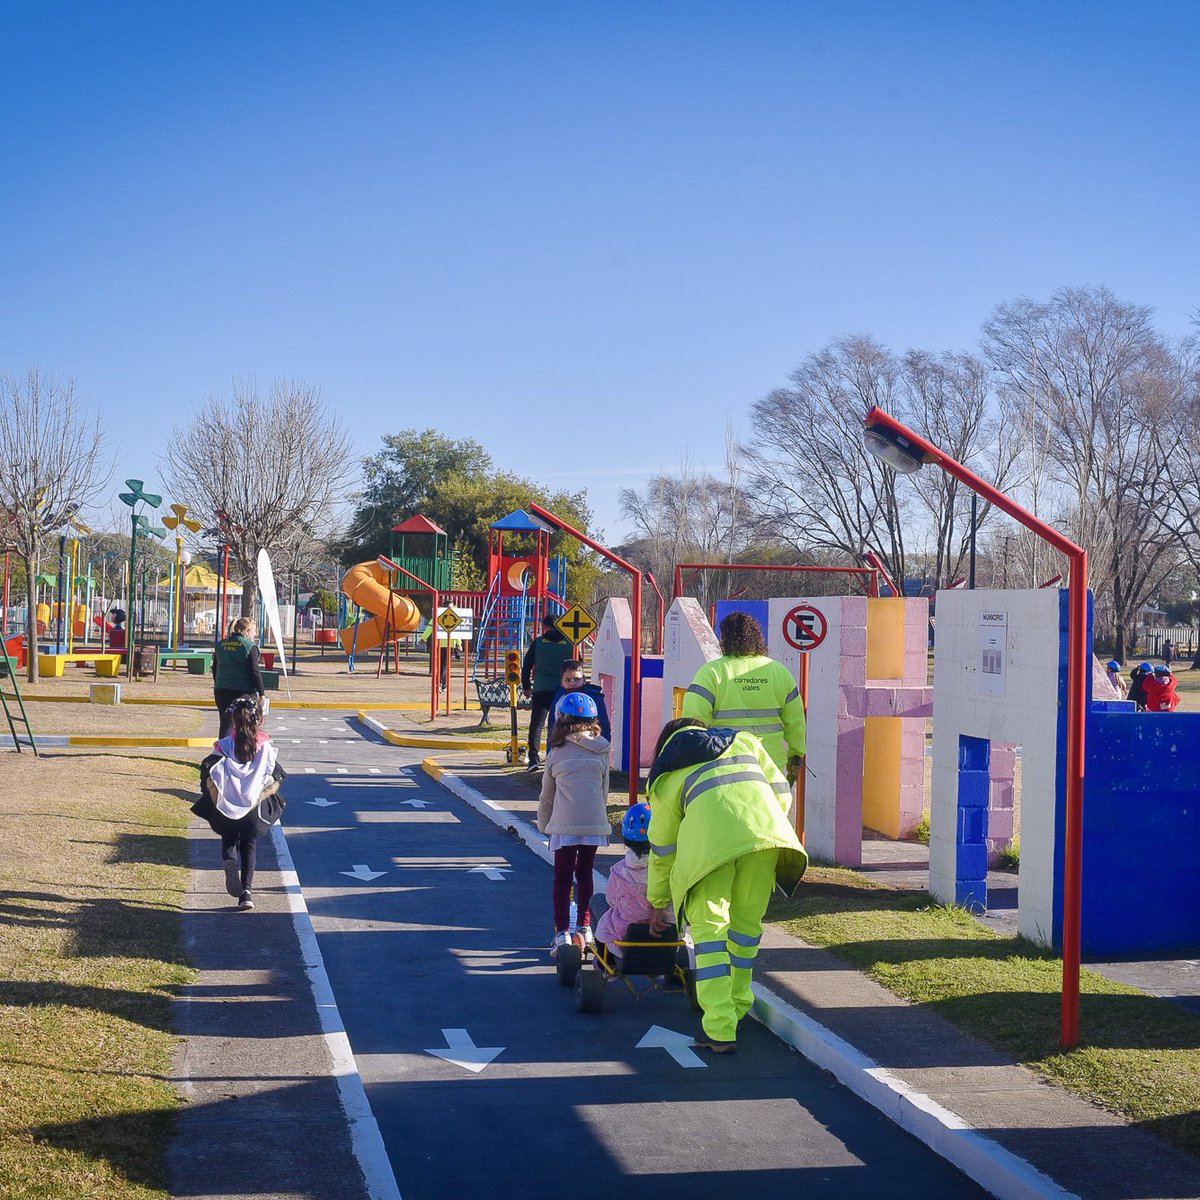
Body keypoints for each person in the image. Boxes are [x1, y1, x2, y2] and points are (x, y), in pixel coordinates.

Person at [646, 716, 807, 1054]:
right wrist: (757, 823)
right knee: (746, 930)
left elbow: (662, 849)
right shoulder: (745, 741)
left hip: (709, 854)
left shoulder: (667, 777)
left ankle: (719, 1027)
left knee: (710, 934)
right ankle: (737, 1007)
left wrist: (658, 900)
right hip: (762, 841)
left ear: (667, 744)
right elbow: (781, 792)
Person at [682, 611, 806, 782]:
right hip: (770, 767)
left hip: (724, 765)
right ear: (757, 637)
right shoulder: (780, 672)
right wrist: (796, 753)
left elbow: (693, 720)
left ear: (724, 639)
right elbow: (796, 720)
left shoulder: (710, 673)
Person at [193, 697, 286, 911]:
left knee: (229, 840)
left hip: (226, 807)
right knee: (249, 846)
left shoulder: (224, 746)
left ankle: (229, 859)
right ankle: (246, 894)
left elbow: (208, 767)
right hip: (253, 810)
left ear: (233, 720)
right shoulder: (265, 748)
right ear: (259, 720)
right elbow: (278, 774)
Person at [536, 691, 611, 955]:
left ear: (560, 720)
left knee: (562, 877)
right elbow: (603, 790)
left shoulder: (556, 753)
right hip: (593, 821)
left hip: (564, 824)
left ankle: (561, 932)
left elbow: (547, 795)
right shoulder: (602, 748)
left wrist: (544, 825)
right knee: (585, 872)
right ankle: (585, 926)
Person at [593, 802, 664, 959]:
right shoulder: (670, 870)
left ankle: (606, 960)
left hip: (625, 938)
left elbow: (611, 900)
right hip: (667, 937)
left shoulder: (619, 871)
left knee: (598, 902)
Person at [522, 613, 573, 770]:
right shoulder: (569, 644)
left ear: (545, 626)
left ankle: (533, 759)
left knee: (537, 724)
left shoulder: (538, 643)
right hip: (563, 690)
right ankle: (559, 758)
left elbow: (527, 665)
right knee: (563, 724)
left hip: (541, 688)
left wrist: (526, 686)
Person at [212, 616, 265, 738]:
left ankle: (223, 752)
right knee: (245, 724)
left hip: (222, 690)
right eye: (253, 630)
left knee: (226, 724)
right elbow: (254, 671)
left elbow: (215, 668)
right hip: (243, 691)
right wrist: (261, 691)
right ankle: (243, 752)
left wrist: (218, 683)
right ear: (246, 631)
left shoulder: (220, 645)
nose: (255, 634)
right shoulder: (249, 647)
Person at [548, 659, 612, 742]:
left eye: (577, 679)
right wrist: (551, 749)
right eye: (567, 680)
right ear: (561, 682)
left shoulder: (593, 698)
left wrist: (604, 746)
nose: (572, 683)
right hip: (563, 744)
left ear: (584, 680)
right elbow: (552, 725)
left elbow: (603, 724)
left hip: (589, 744)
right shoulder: (559, 698)